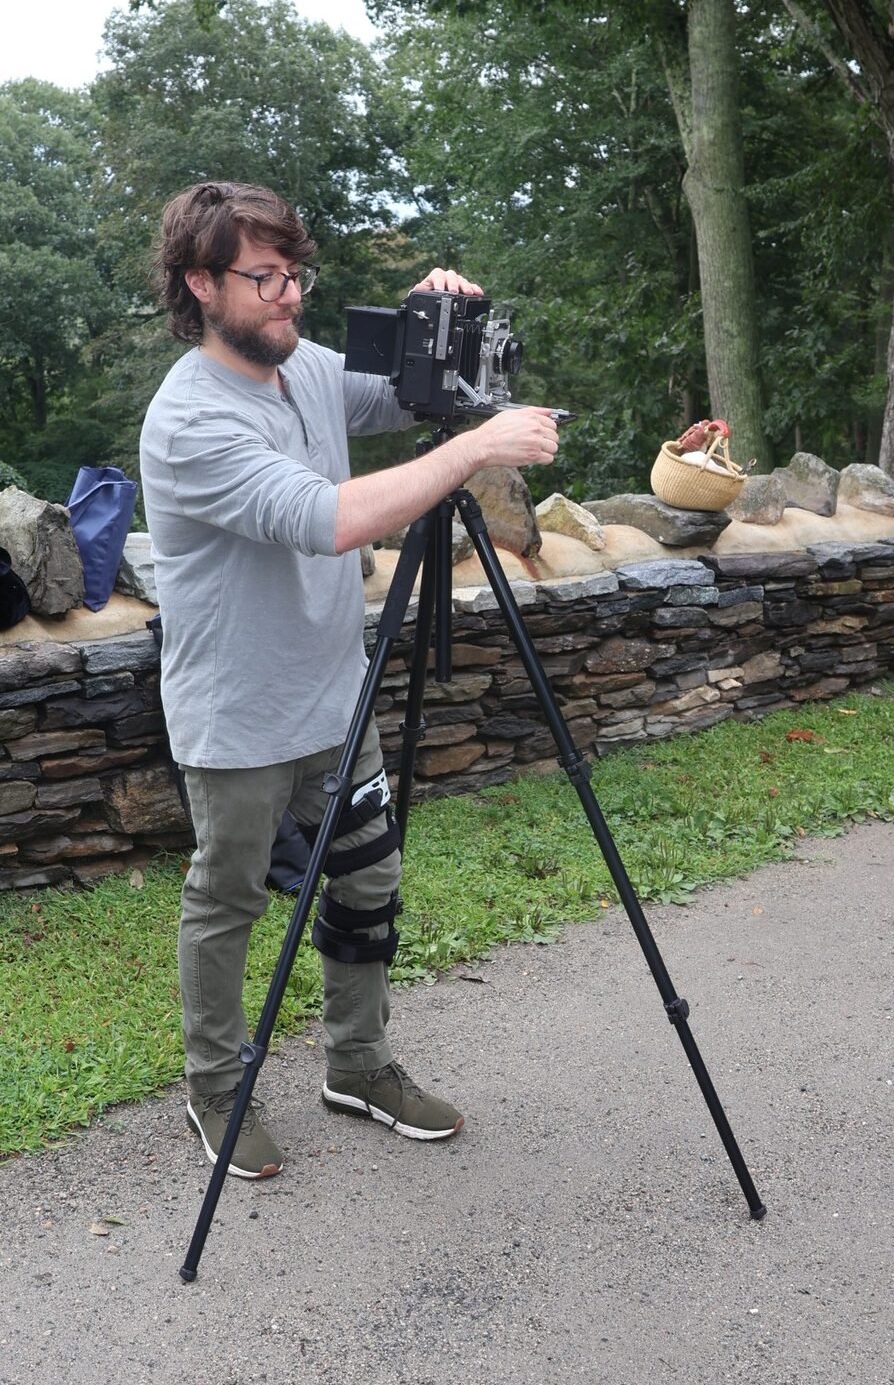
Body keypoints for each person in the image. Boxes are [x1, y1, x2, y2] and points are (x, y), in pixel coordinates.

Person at [140, 180, 559, 1178]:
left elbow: (418, 399)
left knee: (368, 877)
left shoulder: (308, 370)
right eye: (265, 276)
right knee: (229, 896)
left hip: (338, 698)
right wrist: (476, 452)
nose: (290, 294)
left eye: (297, 272)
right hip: (237, 713)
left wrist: (439, 326)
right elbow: (328, 516)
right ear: (202, 283)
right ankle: (213, 1088)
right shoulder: (189, 420)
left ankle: (357, 1064)